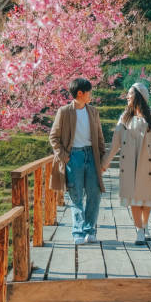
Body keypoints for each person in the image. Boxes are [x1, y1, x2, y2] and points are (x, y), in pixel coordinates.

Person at [101, 82, 151, 245]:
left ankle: (144, 225)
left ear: (139, 96)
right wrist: (105, 163)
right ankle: (139, 231)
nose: (127, 97)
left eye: (130, 94)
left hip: (149, 165)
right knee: (134, 199)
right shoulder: (124, 117)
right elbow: (115, 143)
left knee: (147, 200)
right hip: (129, 164)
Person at [49, 78, 105, 245]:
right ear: (80, 93)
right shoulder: (64, 111)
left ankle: (89, 230)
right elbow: (53, 137)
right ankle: (78, 231)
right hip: (74, 157)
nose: (91, 95)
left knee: (95, 193)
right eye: (89, 92)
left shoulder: (93, 112)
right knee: (76, 195)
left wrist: (102, 160)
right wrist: (64, 156)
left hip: (92, 156)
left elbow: (100, 137)